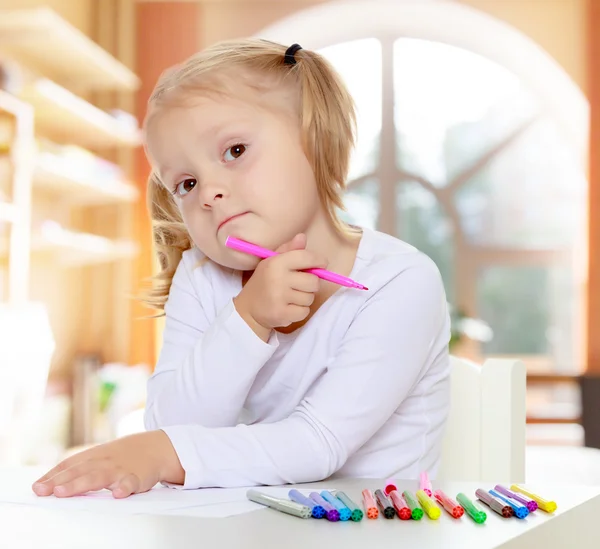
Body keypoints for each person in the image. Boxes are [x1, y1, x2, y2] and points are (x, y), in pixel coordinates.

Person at [32, 39, 451, 499]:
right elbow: (173, 427)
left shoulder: (402, 281)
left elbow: (319, 442)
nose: (208, 191)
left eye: (234, 151)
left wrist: (159, 453)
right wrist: (246, 318)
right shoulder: (201, 275)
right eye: (186, 183)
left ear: (314, 138)